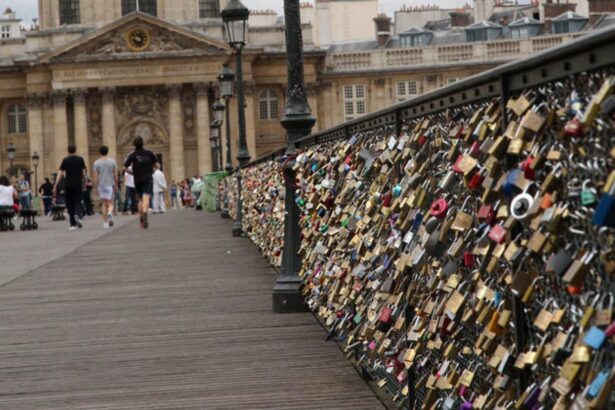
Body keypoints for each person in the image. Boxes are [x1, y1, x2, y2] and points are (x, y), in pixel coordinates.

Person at [123, 136, 157, 229]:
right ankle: (145, 212)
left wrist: (132, 173)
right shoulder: (149, 153)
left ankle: (141, 218)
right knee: (146, 198)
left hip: (137, 179)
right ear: (143, 143)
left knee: (140, 200)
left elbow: (125, 167)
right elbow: (156, 165)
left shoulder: (132, 155)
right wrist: (152, 170)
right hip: (148, 178)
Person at [54, 145, 86, 230]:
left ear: (68, 151)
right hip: (78, 184)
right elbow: (83, 173)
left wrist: (56, 184)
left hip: (68, 185)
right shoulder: (80, 159)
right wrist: (84, 182)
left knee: (70, 204)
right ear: (75, 150)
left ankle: (72, 224)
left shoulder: (65, 160)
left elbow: (60, 173)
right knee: (78, 201)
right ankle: (77, 214)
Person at [93, 145, 118, 229]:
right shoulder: (112, 162)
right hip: (109, 184)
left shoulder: (96, 163)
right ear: (107, 151)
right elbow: (115, 175)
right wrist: (116, 184)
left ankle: (105, 223)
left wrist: (95, 187)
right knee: (110, 203)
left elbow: (96, 176)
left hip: (101, 185)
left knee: (103, 203)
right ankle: (110, 212)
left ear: (100, 152)